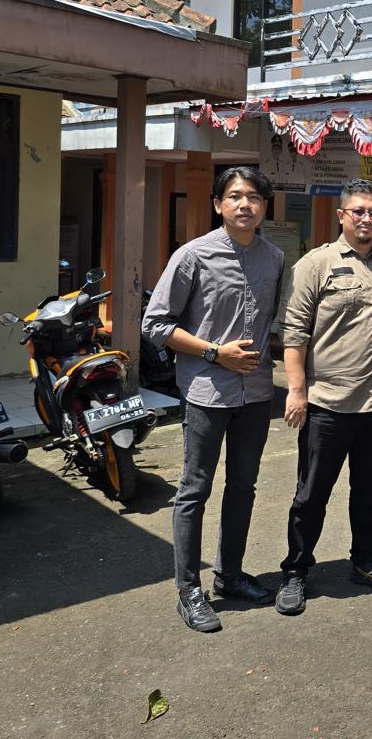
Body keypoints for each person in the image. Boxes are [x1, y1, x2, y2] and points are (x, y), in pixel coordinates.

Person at [143, 166, 284, 633]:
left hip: (257, 393)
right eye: (235, 196)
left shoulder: (275, 258)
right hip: (207, 392)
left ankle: (231, 573)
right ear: (218, 204)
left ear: (264, 206)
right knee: (194, 490)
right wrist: (213, 352)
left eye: (254, 197)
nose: (245, 204)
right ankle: (189, 589)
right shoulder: (192, 256)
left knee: (243, 486)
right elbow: (155, 324)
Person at [275, 178, 372, 615]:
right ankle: (296, 570)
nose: (366, 219)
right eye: (358, 211)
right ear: (341, 216)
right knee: (311, 495)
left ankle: (366, 561)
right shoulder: (316, 264)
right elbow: (294, 333)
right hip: (328, 404)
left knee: (370, 492)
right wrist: (297, 391)